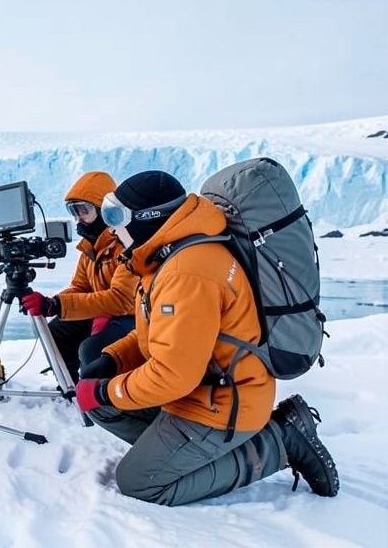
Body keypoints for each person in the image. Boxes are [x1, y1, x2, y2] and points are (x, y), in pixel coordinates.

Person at [73, 170, 339, 506]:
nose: (111, 227)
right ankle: (180, 453)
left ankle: (278, 440)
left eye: (116, 216)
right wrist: (111, 361)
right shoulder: (164, 257)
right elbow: (152, 335)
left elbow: (173, 375)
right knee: (105, 407)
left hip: (223, 401)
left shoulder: (187, 273)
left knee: (139, 483)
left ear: (145, 219)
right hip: (199, 388)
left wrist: (103, 390)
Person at [19, 171, 138, 382]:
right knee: (56, 332)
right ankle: (70, 385)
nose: (78, 218)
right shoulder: (90, 249)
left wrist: (58, 305)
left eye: (84, 210)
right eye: (73, 211)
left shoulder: (125, 244)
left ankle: (103, 400)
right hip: (104, 312)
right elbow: (80, 287)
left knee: (93, 349)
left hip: (133, 317)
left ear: (104, 210)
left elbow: (121, 299)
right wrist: (51, 303)